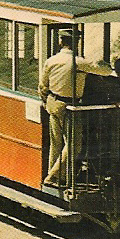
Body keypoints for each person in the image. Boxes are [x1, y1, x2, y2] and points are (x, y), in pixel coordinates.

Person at [40, 32, 81, 187]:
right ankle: (53, 176)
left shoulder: (51, 61)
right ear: (76, 42)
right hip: (68, 107)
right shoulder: (78, 62)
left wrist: (46, 102)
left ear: (60, 41)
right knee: (74, 144)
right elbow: (103, 70)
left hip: (53, 104)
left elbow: (43, 86)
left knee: (56, 143)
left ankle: (55, 177)